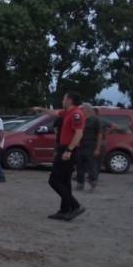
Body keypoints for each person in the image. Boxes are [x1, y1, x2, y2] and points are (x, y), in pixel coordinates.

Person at [33, 93, 87, 221]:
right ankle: (64, 210)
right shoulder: (67, 112)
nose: (62, 100)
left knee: (54, 180)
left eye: (63, 98)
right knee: (65, 182)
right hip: (65, 148)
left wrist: (69, 150)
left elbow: (79, 133)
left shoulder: (76, 114)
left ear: (69, 100)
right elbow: (54, 113)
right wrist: (41, 109)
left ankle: (75, 206)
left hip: (68, 149)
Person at [75, 104, 102, 192]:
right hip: (80, 146)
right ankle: (80, 184)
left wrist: (97, 148)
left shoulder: (95, 120)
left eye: (81, 110)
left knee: (91, 166)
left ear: (87, 110)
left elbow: (99, 135)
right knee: (79, 165)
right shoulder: (80, 120)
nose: (80, 112)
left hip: (91, 146)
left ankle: (93, 184)